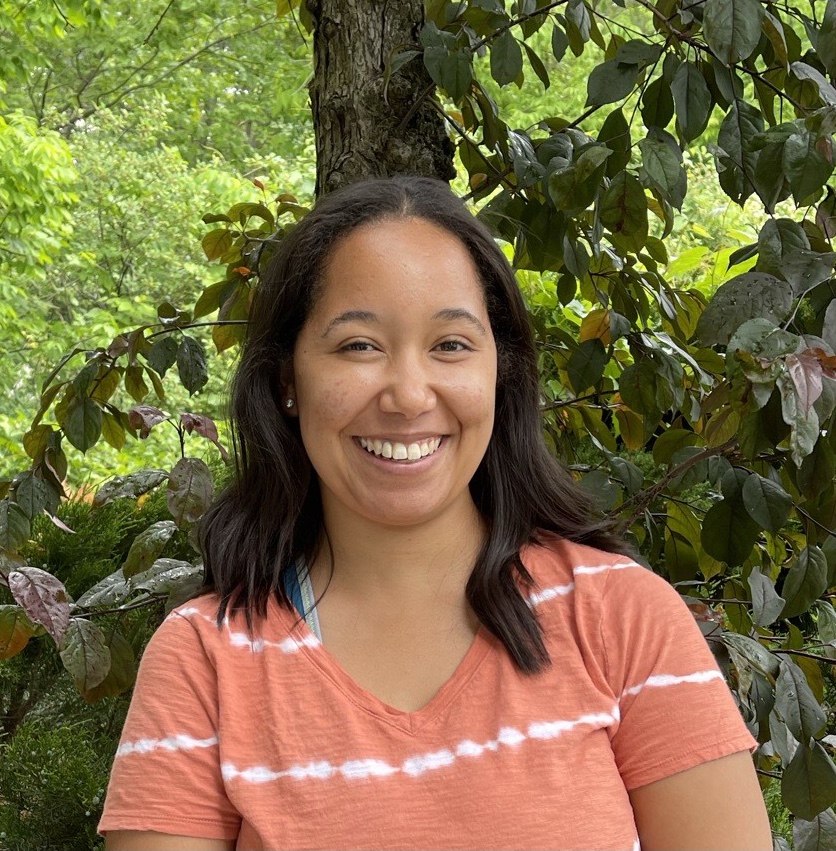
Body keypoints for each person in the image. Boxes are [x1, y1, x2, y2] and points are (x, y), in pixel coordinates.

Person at [100, 176, 772, 850]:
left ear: (499, 372)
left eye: (450, 344)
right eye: (359, 345)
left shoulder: (625, 619)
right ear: (287, 383)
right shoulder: (205, 659)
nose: (408, 394)